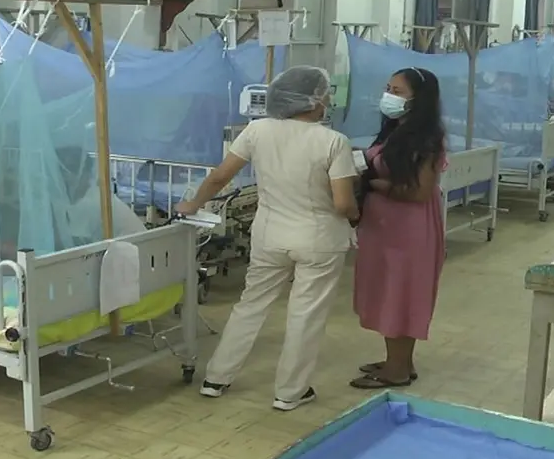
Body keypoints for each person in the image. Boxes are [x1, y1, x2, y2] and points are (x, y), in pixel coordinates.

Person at [175, 65, 358, 411]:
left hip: (270, 235)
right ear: (314, 100)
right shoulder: (334, 142)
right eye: (326, 94)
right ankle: (290, 392)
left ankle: (217, 378)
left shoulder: (256, 130)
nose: (328, 100)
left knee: (250, 304)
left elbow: (218, 178)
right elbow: (343, 203)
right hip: (318, 240)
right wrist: (357, 217)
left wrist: (193, 204)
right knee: (305, 314)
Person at [350, 66, 447, 389]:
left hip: (407, 230)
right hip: (384, 227)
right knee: (388, 291)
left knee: (401, 294)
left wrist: (374, 184)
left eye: (397, 91)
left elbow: (419, 192)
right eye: (387, 88)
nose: (388, 96)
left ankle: (397, 371)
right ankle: (400, 361)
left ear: (418, 100)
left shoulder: (427, 140)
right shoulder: (394, 131)